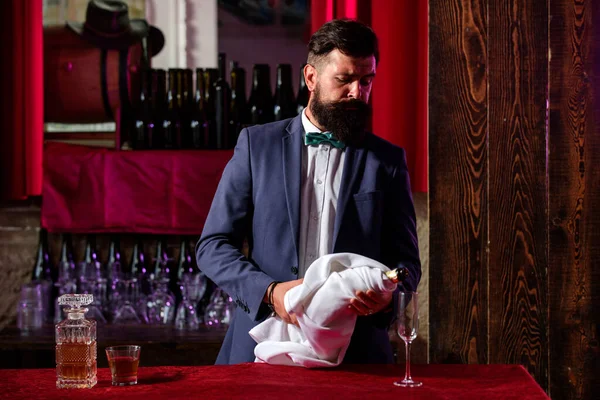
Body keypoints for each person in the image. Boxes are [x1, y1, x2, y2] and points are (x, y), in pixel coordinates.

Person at [196, 19, 421, 365]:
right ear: (311, 78)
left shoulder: (387, 160)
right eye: (344, 80)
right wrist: (270, 293)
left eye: (366, 80)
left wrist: (388, 298)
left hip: (356, 354)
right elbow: (212, 246)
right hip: (260, 343)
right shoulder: (257, 146)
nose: (357, 93)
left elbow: (406, 264)